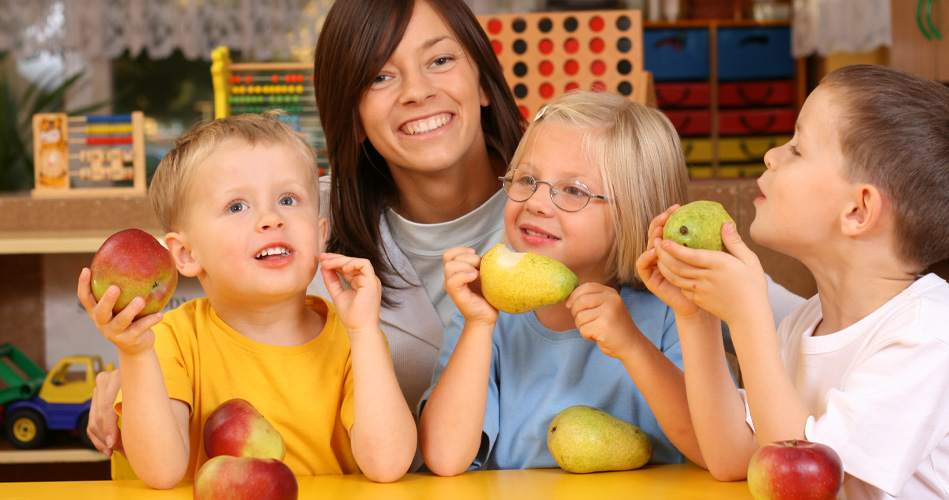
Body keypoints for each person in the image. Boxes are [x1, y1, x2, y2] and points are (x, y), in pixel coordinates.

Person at [86, 0, 804, 462]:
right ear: (352, 118)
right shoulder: (303, 215)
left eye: (438, 60)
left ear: (483, 78)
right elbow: (224, 296)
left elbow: (784, 326)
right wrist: (133, 371)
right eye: (379, 76)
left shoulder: (560, 197)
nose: (418, 92)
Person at [638, 64, 949, 499]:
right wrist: (697, 316)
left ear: (858, 211)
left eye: (797, 148)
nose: (771, 155)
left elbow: (815, 488)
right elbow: (733, 458)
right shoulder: (804, 323)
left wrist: (749, 318)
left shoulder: (928, 335)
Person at [77, 111, 417, 488]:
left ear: (320, 234)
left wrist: (366, 332)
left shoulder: (354, 338)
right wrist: (136, 352)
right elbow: (162, 472)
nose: (271, 218)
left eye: (289, 199)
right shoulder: (169, 340)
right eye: (237, 206)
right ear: (186, 255)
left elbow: (388, 464)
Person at [418, 90, 706, 474]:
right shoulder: (485, 316)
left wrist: (632, 346)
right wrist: (478, 324)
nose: (536, 202)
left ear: (636, 212)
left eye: (573, 190)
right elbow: (444, 458)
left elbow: (710, 448)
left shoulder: (676, 313)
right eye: (526, 179)